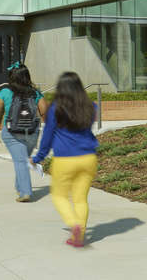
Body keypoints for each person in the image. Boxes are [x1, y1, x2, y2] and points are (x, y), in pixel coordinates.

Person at [31, 72, 100, 247]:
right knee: (80, 199)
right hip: (88, 158)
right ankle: (80, 236)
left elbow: (47, 136)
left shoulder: (55, 109)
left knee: (59, 196)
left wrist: (38, 157)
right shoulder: (91, 107)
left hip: (65, 159)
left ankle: (74, 225)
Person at [0, 62, 47, 202]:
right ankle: (19, 186)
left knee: (20, 161)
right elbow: (44, 111)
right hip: (31, 131)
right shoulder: (35, 93)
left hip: (12, 131)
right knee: (22, 160)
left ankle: (25, 192)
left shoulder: (5, 92)